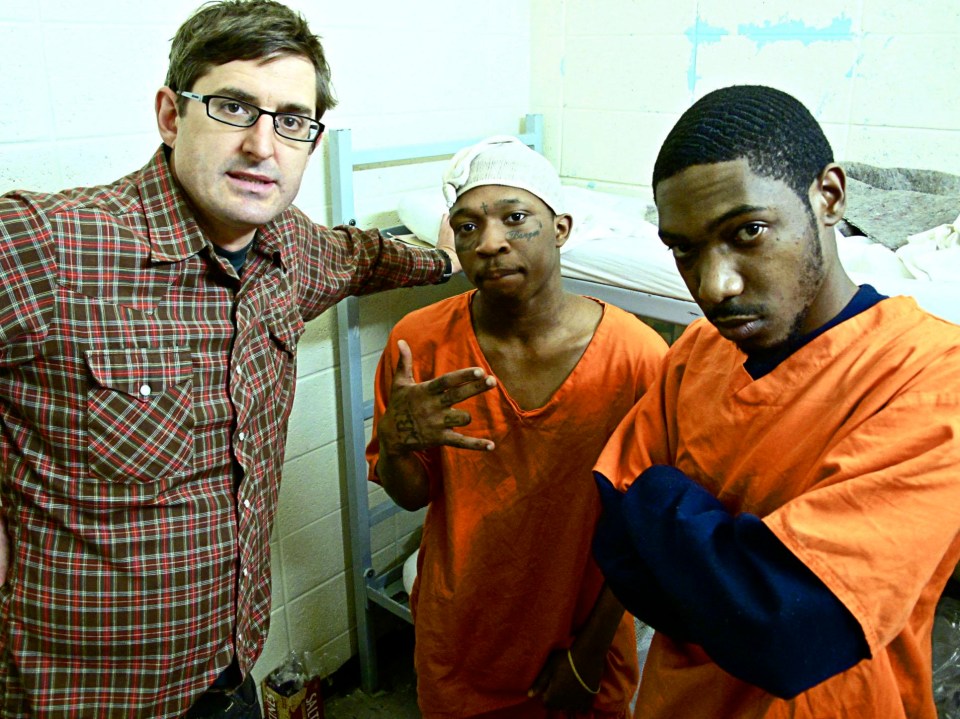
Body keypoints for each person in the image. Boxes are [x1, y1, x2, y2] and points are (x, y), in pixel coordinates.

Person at [0, 1, 460, 717]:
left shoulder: (292, 249)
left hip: (230, 672)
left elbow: (365, 255)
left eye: (291, 121)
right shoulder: (50, 245)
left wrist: (451, 258)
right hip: (83, 697)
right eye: (233, 107)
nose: (262, 145)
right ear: (169, 114)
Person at [591, 84, 960, 718]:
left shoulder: (931, 378)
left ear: (830, 196)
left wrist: (659, 498)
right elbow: (619, 546)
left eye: (748, 231)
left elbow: (790, 633)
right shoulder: (698, 352)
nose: (715, 285)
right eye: (684, 250)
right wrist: (734, 571)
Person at [366, 136, 668, 718]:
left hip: (583, 646)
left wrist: (589, 653)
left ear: (561, 228)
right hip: (459, 641)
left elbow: (647, 532)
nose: (491, 242)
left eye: (515, 217)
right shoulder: (421, 344)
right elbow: (411, 497)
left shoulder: (637, 357)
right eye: (468, 226)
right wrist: (400, 443)